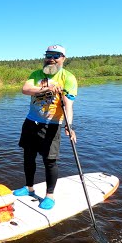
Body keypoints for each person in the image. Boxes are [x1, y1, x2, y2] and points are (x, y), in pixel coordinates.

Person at [12, 44, 78, 210]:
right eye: (49, 55)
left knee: (50, 161)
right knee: (28, 156)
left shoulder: (68, 78)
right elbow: (25, 89)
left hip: (51, 125)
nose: (52, 59)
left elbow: (68, 104)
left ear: (63, 58)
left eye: (56, 56)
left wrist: (69, 125)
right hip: (30, 122)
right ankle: (29, 187)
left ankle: (49, 196)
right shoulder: (36, 74)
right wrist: (47, 87)